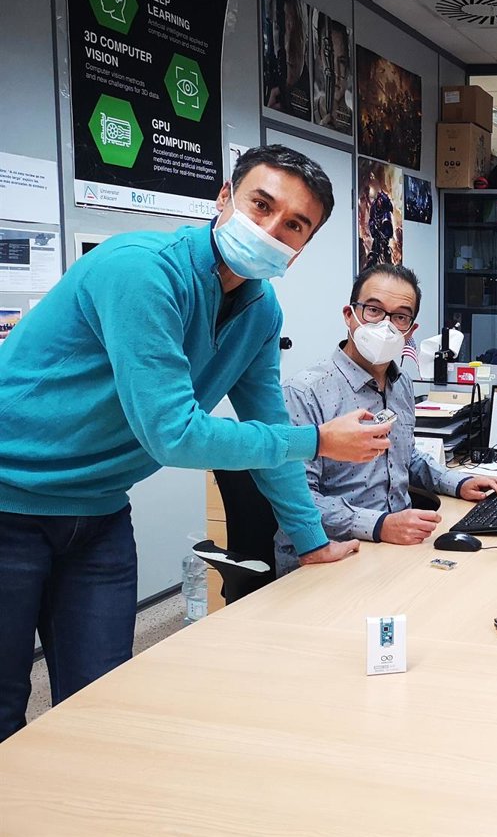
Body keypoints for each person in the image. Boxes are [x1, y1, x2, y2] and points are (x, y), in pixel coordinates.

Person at [0, 144, 388, 742]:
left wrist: (311, 542)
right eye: (261, 205)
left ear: (304, 245)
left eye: (294, 224)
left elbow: (269, 421)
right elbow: (174, 435)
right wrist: (316, 440)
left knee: (101, 703)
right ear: (224, 197)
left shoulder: (261, 311)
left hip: (99, 512)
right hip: (9, 500)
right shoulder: (141, 270)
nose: (271, 229)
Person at [277, 264, 497, 574]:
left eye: (400, 317)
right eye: (373, 310)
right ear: (349, 315)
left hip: (394, 549)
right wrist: (380, 524)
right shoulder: (304, 392)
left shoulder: (401, 384)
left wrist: (459, 482)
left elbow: (405, 456)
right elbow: (296, 498)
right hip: (327, 556)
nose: (385, 325)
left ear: (410, 330)